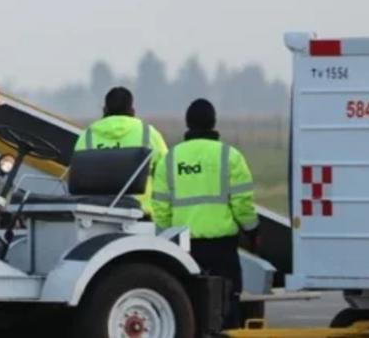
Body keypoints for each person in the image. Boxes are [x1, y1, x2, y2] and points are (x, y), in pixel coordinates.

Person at [152, 98, 258, 329]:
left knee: (190, 304)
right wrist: (252, 230)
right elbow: (243, 203)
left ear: (187, 123)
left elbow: (160, 209)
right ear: (213, 122)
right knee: (228, 301)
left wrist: (164, 239)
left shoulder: (169, 159)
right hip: (222, 246)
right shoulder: (230, 156)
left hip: (183, 247)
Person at [75, 87, 168, 216]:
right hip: (141, 215)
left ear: (104, 110)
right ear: (132, 110)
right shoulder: (149, 134)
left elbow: (78, 176)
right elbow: (168, 175)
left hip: (96, 214)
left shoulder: (87, 136)